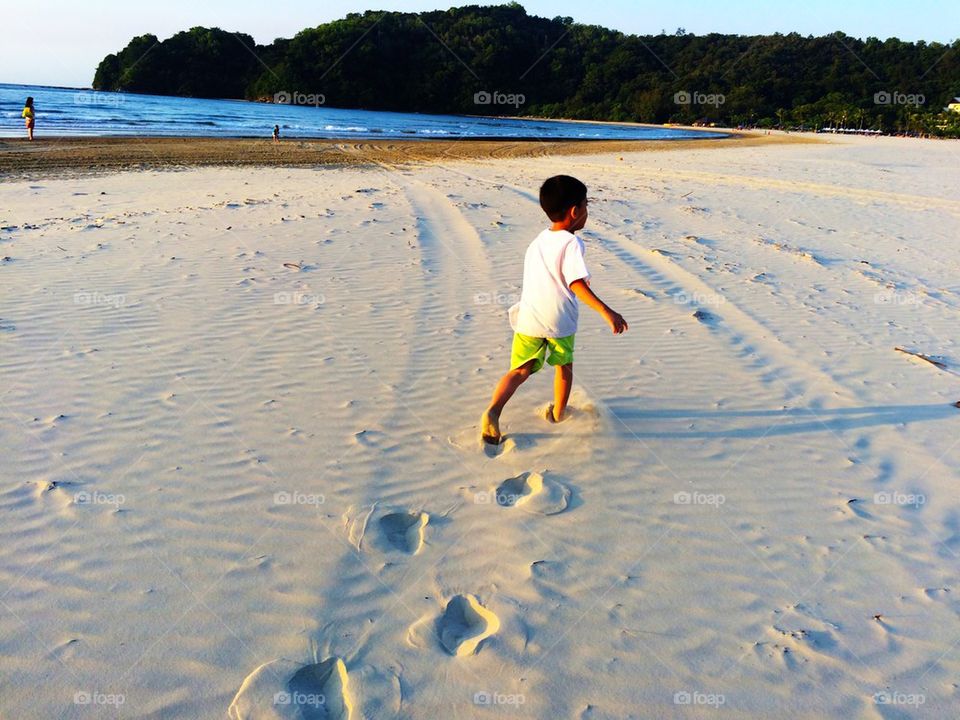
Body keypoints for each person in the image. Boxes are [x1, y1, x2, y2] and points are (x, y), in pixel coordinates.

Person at [480, 175, 628, 445]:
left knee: (519, 371)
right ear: (575, 211)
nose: (587, 211)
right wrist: (607, 312)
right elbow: (576, 283)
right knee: (564, 368)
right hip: (559, 319)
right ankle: (559, 414)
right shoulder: (572, 244)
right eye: (586, 205)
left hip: (529, 317)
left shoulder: (538, 240)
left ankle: (494, 410)